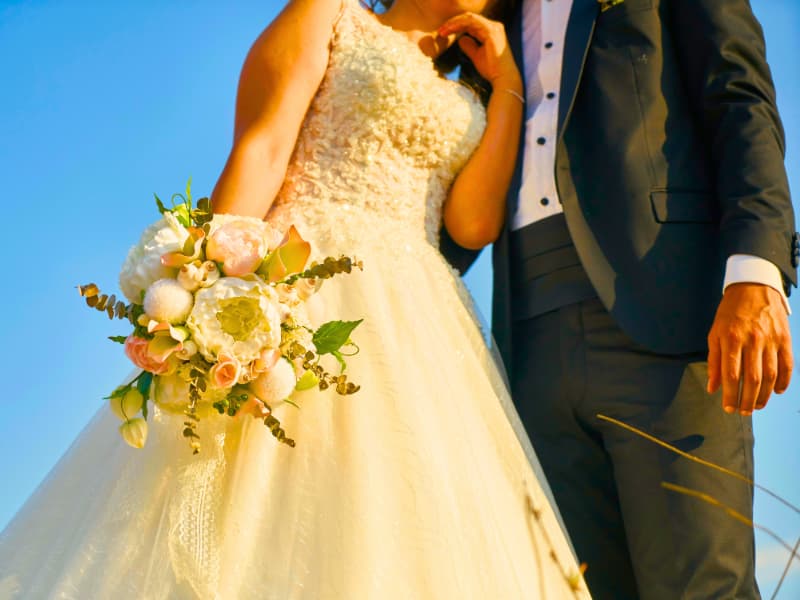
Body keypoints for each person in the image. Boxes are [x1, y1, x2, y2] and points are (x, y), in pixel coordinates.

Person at [0, 1, 591, 598]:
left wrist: (509, 85)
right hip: (302, 280)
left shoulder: (475, 88)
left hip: (416, 322)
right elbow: (261, 149)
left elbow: (470, 224)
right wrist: (207, 288)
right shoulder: (330, 14)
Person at [442, 0, 797, 598]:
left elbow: (739, 98)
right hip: (526, 344)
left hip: (669, 315)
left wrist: (755, 270)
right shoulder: (485, 13)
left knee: (701, 587)